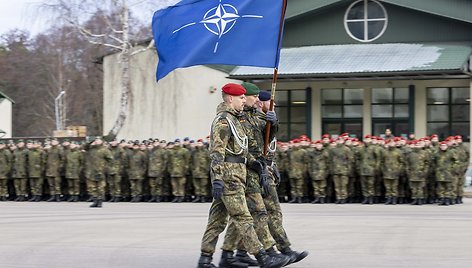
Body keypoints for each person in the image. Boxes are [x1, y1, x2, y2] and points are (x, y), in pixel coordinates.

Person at [197, 83, 288, 268]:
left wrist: (256, 163)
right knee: (243, 217)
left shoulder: (235, 120)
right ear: (230, 98)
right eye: (240, 98)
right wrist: (217, 179)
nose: (243, 101)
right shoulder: (223, 121)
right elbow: (217, 153)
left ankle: (205, 259)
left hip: (238, 175)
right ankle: (264, 257)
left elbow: (241, 151)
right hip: (229, 177)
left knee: (217, 220)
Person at [87, 137, 112, 208]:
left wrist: (105, 168)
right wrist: (91, 141)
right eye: (96, 140)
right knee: (92, 187)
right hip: (91, 171)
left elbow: (110, 160)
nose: (97, 141)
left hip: (100, 171)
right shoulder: (91, 149)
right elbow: (85, 146)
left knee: (100, 187)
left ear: (102, 141)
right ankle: (95, 201)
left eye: (98, 140)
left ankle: (100, 201)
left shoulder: (104, 150)